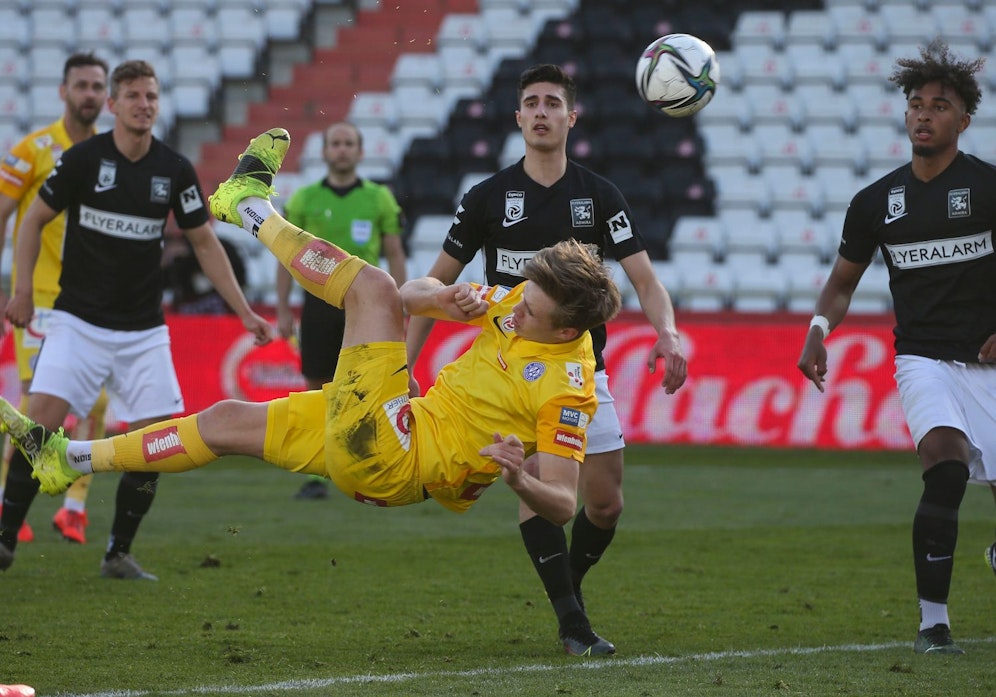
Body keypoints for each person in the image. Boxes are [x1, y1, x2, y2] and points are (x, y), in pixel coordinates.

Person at [2, 129, 623, 657]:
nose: (516, 308)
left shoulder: (570, 388)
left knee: (370, 288)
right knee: (223, 420)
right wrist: (440, 298)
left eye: (532, 307)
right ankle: (64, 460)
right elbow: (406, 298)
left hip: (397, 452)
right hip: (394, 425)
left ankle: (248, 206)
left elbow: (565, 505)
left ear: (567, 330)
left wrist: (517, 479)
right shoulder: (519, 300)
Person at [405, 64, 688, 655]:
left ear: (570, 117)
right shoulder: (486, 198)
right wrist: (400, 368)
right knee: (539, 484)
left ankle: (566, 584)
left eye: (552, 102)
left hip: (580, 370)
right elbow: (432, 289)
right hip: (507, 374)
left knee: (606, 503)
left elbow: (645, 279)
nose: (540, 111)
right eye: (530, 102)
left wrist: (667, 333)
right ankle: (572, 624)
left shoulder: (599, 196)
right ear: (517, 118)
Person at [0, 60, 272, 579]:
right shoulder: (82, 161)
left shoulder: (173, 169)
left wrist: (244, 311)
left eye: (151, 96)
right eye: (133, 96)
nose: (144, 104)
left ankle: (117, 553)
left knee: (155, 446)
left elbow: (204, 241)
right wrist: (20, 292)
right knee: (38, 430)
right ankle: (5, 539)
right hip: (76, 324)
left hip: (144, 333)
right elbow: (32, 220)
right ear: (114, 105)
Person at [796, 40, 996, 655]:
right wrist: (818, 331)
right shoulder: (876, 202)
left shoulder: (988, 188)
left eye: (939, 105)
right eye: (915, 104)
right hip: (923, 358)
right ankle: (933, 624)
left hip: (989, 364)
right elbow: (841, 283)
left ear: (963, 120)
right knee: (944, 467)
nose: (923, 114)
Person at [0, 52, 112, 546]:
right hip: (41, 297)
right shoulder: (33, 149)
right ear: (63, 91)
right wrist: (11, 288)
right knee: (36, 406)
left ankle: (73, 508)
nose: (89, 94)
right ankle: (10, 505)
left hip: (94, 301)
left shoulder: (115, 154)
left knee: (98, 404)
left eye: (96, 86)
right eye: (81, 85)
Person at [274, 121, 407, 500]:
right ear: (326, 151)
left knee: (367, 387)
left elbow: (395, 252)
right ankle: (319, 474)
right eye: (336, 143)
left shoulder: (379, 198)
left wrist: (400, 303)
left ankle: (370, 465)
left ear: (360, 152)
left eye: (350, 143)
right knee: (317, 386)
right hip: (318, 304)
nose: (343, 149)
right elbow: (286, 260)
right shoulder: (303, 199)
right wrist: (283, 308)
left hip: (366, 305)